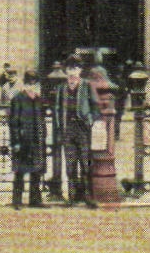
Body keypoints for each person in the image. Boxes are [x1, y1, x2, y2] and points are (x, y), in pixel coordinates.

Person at [57, 58, 100, 208]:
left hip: (83, 129)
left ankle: (89, 196)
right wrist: (60, 127)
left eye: (75, 68)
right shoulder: (62, 88)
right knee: (70, 165)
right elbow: (57, 109)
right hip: (68, 129)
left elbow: (96, 105)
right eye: (69, 68)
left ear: (80, 70)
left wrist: (90, 120)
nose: (72, 72)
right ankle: (72, 196)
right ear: (66, 71)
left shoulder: (87, 85)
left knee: (85, 163)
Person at [8, 69, 50, 209]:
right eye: (29, 83)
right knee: (20, 171)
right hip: (23, 141)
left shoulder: (38, 100)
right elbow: (13, 123)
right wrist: (16, 142)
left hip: (37, 140)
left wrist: (43, 134)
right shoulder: (18, 99)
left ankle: (35, 199)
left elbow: (41, 120)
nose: (31, 87)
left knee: (36, 171)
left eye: (34, 84)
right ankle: (17, 200)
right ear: (25, 84)